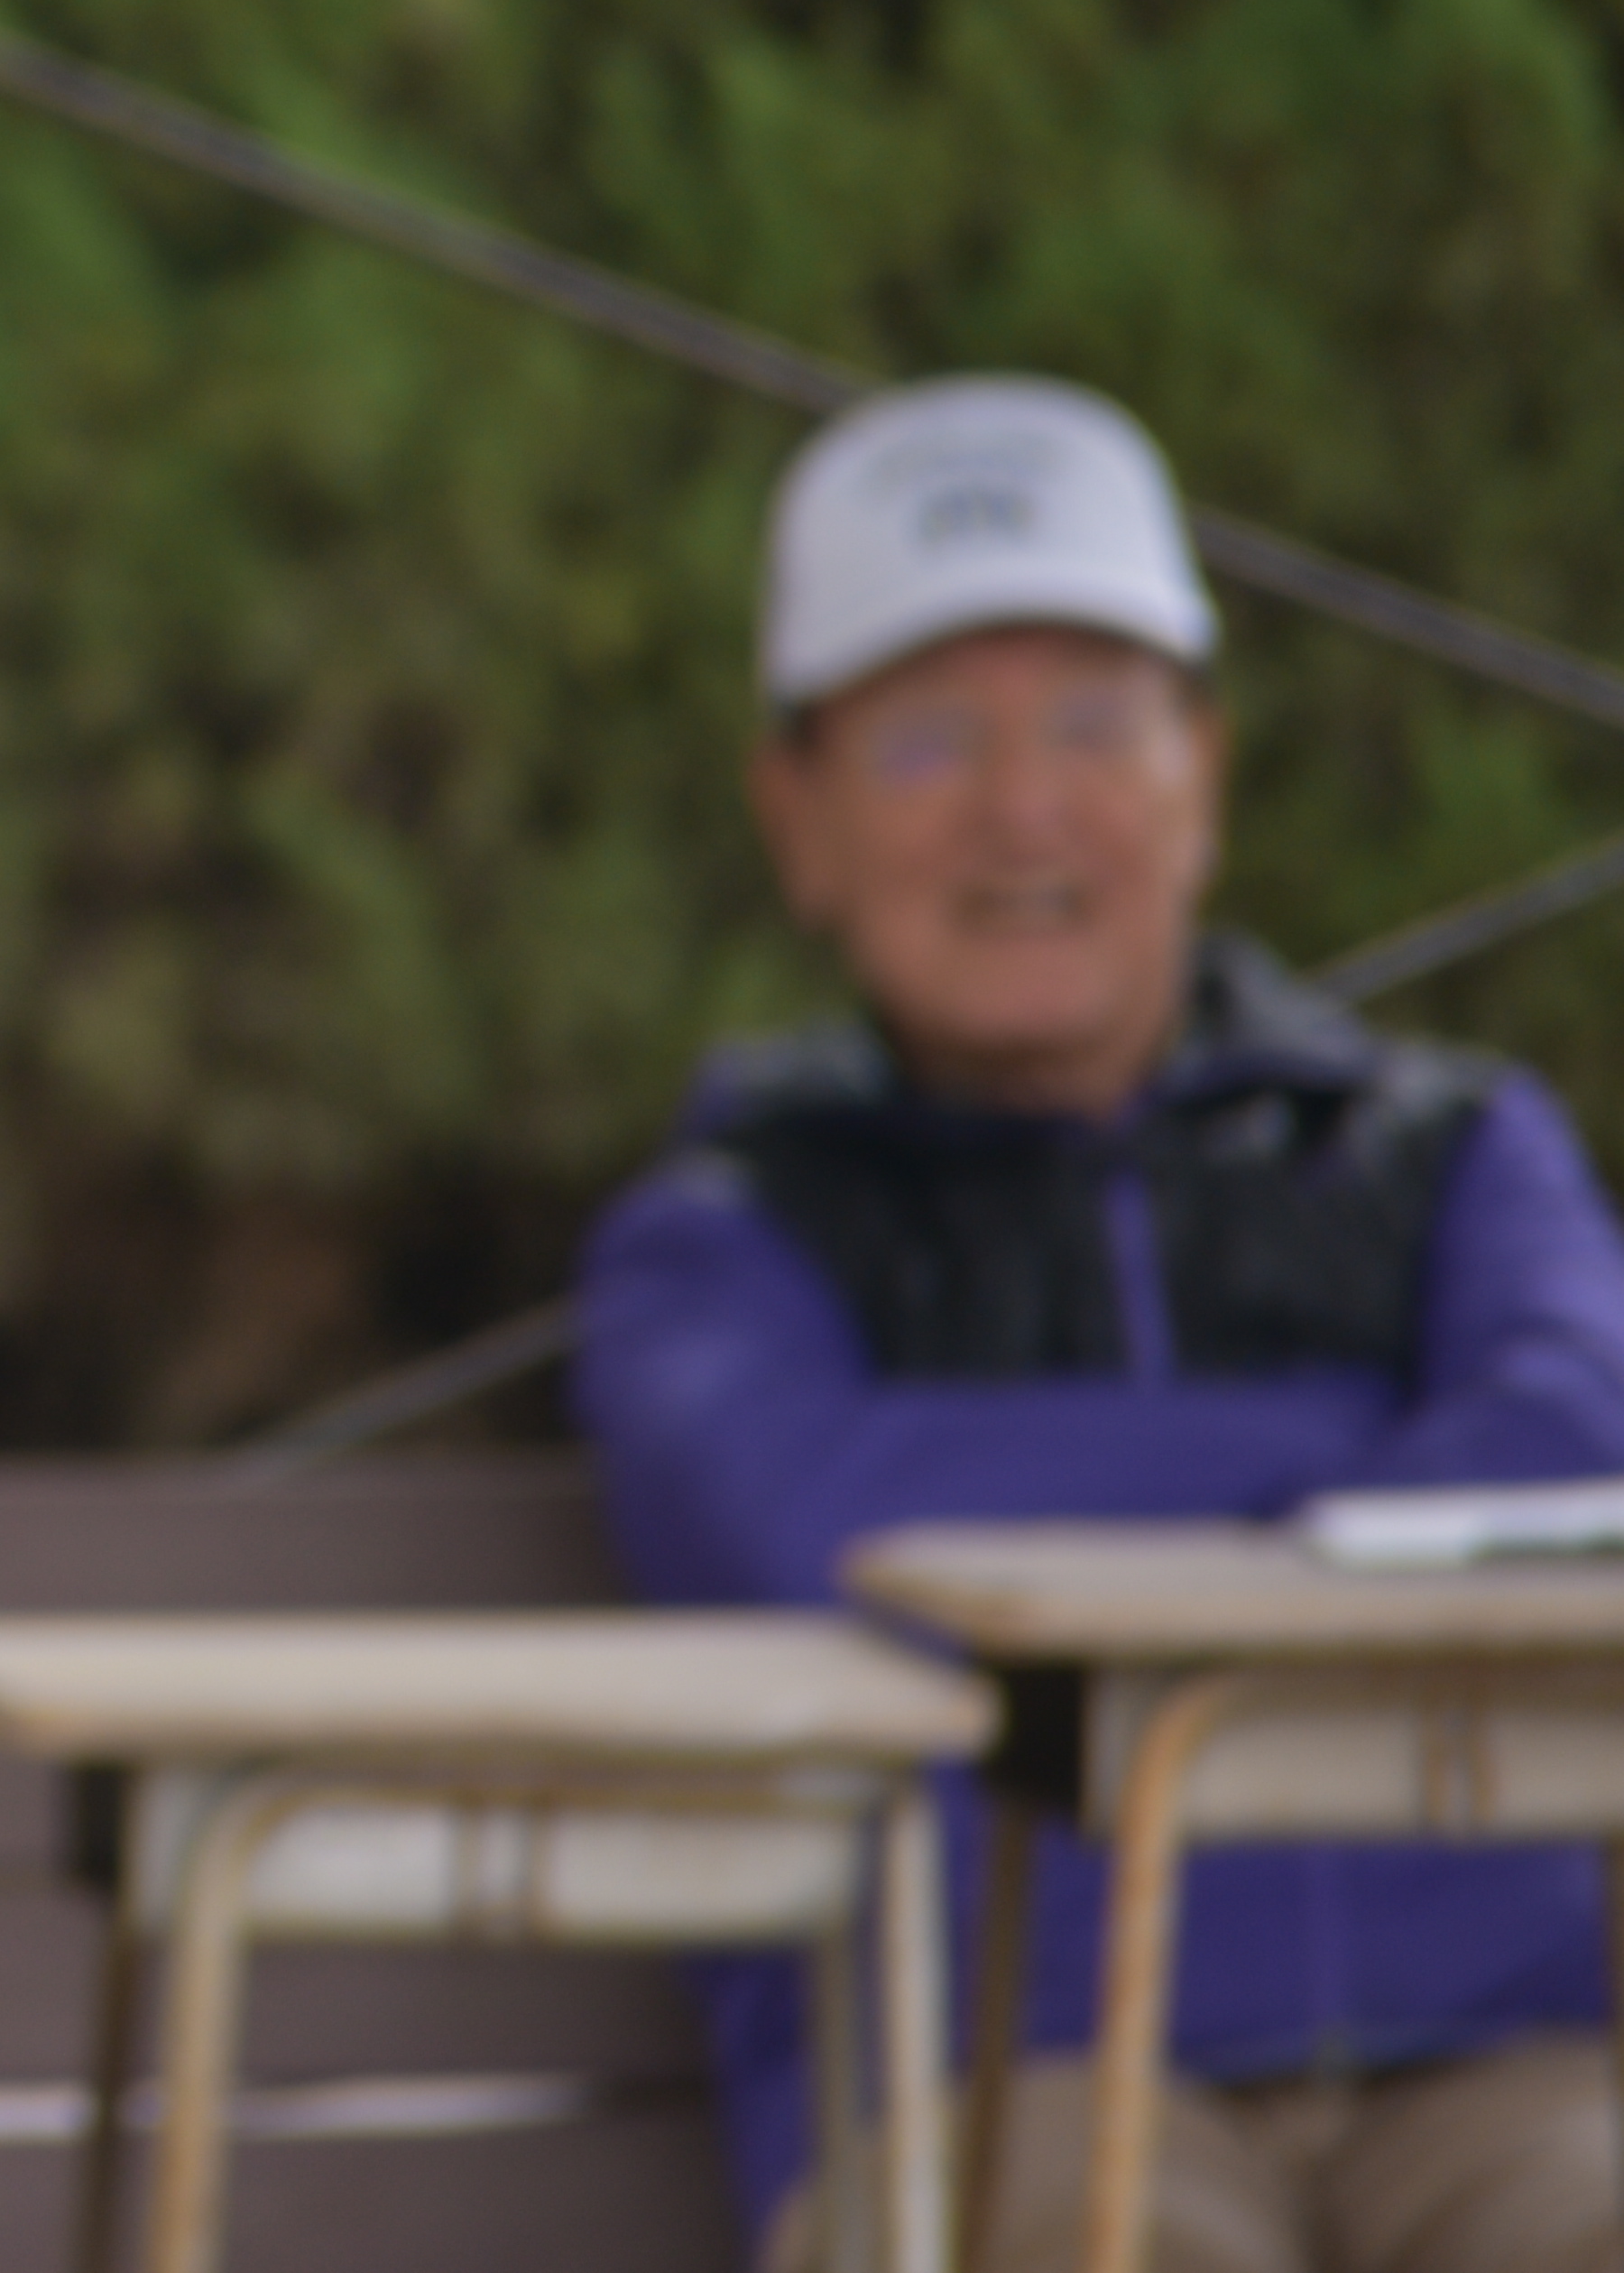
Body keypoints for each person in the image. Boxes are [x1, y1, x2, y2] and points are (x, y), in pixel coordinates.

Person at [580, 374, 1624, 2273]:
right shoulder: (719, 1240)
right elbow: (822, 1533)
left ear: (1201, 770)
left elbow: (1579, 1451)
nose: (1021, 804)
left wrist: (1070, 1536)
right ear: (795, 816)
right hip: (990, 2083)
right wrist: (1354, 1475)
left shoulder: (1458, 1150)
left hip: (1517, 2062)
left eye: (1091, 717)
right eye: (928, 738)